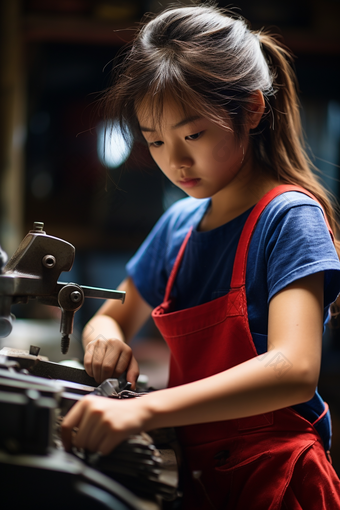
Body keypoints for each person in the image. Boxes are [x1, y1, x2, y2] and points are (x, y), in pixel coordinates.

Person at [61, 4, 340, 508]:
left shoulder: (289, 217)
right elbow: (109, 318)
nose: (175, 161)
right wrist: (104, 339)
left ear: (251, 109)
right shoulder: (178, 229)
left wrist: (146, 411)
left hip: (275, 480)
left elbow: (295, 368)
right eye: (156, 141)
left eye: (193, 135)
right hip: (199, 477)